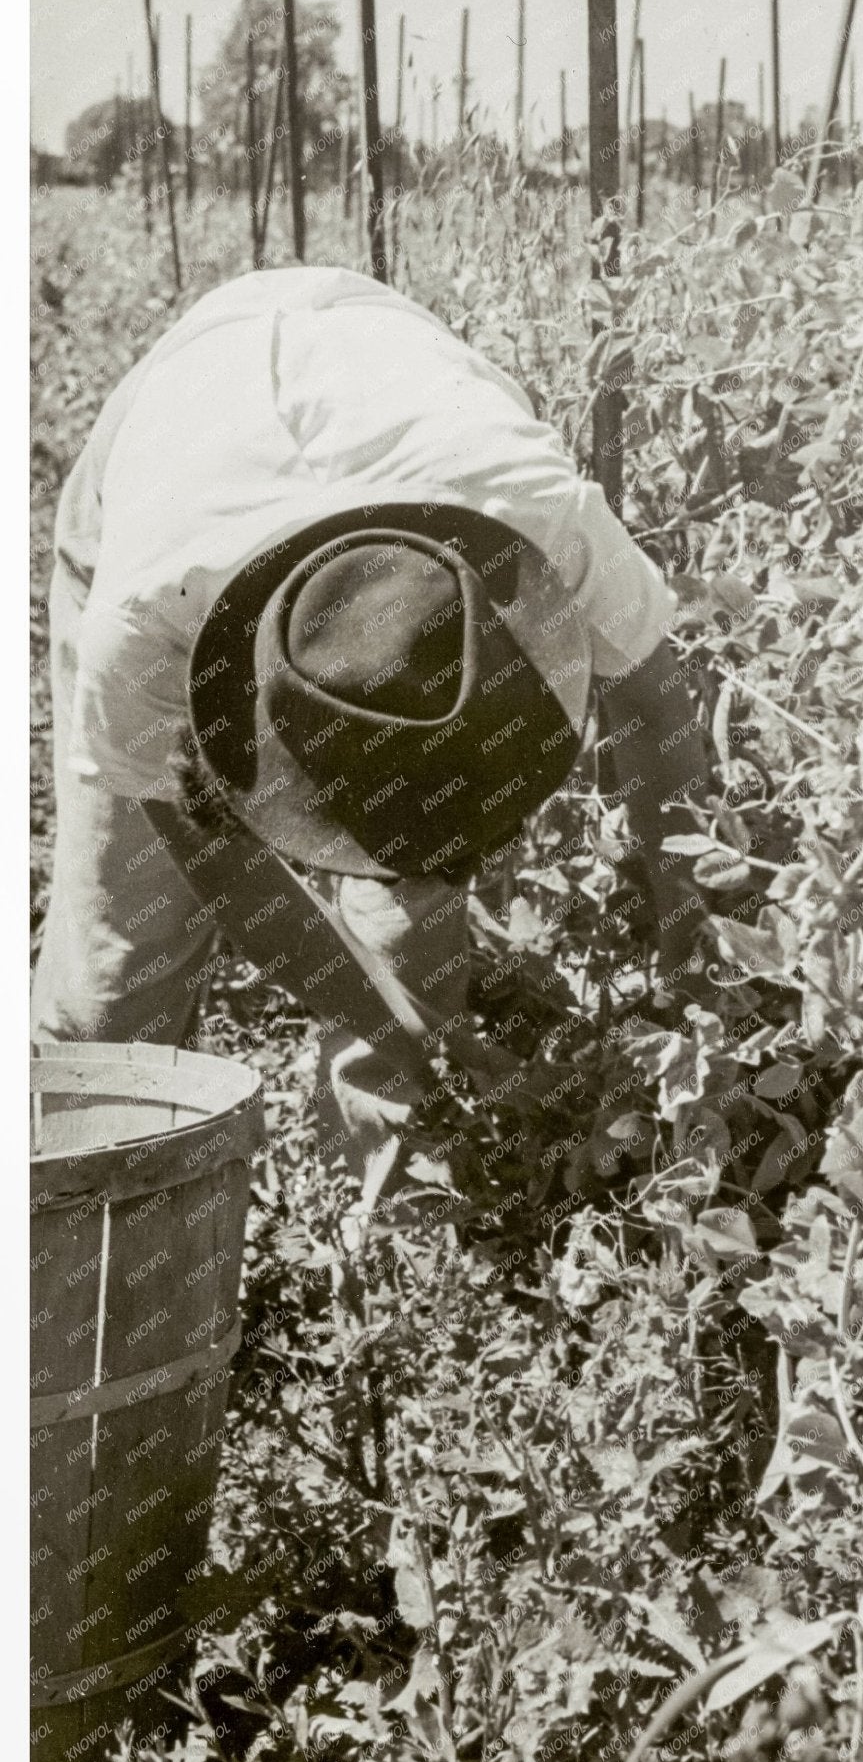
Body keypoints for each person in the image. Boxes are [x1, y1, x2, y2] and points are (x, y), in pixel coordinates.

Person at [31, 266, 713, 1186]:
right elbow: (223, 865)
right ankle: (77, 1213)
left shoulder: (539, 523)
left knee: (409, 921)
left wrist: (695, 945)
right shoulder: (149, 616)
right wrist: (409, 1034)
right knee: (121, 963)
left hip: (370, 346)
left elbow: (658, 710)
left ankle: (394, 1201)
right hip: (175, 416)